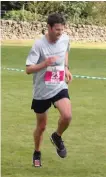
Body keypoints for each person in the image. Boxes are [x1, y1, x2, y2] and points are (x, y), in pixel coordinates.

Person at [26, 13, 72, 167]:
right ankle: (37, 152)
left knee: (67, 116)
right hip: (42, 90)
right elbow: (28, 69)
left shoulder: (64, 39)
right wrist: (44, 64)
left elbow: (65, 51)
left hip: (59, 85)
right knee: (42, 126)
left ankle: (57, 137)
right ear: (49, 27)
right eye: (57, 30)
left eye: (62, 29)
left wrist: (66, 68)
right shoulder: (39, 45)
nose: (60, 33)